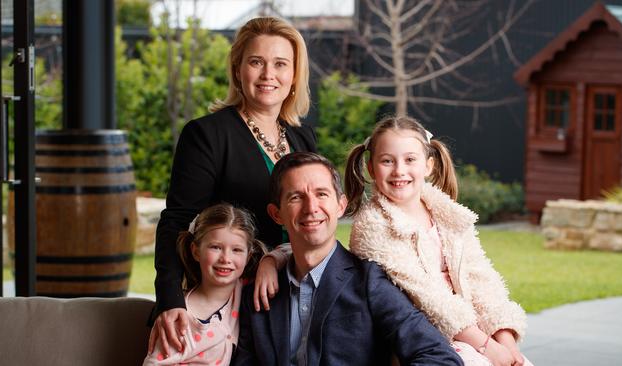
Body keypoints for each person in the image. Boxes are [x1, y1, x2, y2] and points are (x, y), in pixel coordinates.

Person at [150, 16, 316, 355]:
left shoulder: (303, 138)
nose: (269, 75)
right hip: (234, 303)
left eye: (281, 64)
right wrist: (170, 300)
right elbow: (177, 221)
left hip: (296, 294)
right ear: (238, 70)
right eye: (256, 62)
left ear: (295, 75)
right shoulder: (206, 135)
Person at [232, 152, 464, 366]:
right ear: (277, 214)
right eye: (296, 197)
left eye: (321, 194)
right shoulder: (257, 295)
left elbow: (440, 357)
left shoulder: (369, 281)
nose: (311, 208)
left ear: (341, 205)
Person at [342, 116, 533, 366]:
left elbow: (482, 278)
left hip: (472, 333)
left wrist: (505, 341)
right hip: (422, 339)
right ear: (371, 168)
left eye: (410, 159)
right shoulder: (374, 226)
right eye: (387, 161)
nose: (399, 170)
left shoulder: (448, 215)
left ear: (428, 166)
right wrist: (486, 347)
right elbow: (427, 298)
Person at [144, 203, 266, 365]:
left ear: (248, 256)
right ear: (196, 251)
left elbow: (294, 254)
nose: (225, 259)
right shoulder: (179, 320)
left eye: (236, 250)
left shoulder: (244, 289)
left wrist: (272, 261)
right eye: (215, 247)